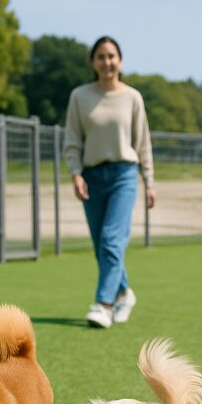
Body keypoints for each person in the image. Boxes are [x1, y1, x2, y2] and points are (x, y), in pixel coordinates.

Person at [64, 36, 156, 329]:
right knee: (101, 247)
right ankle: (124, 292)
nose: (107, 62)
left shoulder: (132, 97)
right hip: (91, 177)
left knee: (111, 241)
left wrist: (149, 181)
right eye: (101, 57)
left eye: (112, 56)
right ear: (93, 62)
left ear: (121, 61)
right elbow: (72, 140)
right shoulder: (79, 96)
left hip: (123, 176)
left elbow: (143, 143)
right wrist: (76, 173)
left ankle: (103, 304)